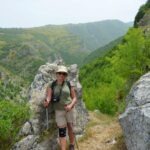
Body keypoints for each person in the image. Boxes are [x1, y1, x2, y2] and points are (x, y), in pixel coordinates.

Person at [44, 65, 77, 150]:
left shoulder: (69, 84)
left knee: (70, 128)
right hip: (59, 111)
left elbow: (74, 98)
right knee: (62, 131)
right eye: (59, 73)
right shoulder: (51, 85)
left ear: (66, 75)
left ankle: (72, 145)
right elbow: (49, 97)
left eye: (64, 74)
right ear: (56, 74)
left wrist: (70, 106)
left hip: (69, 110)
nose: (61, 75)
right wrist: (47, 101)